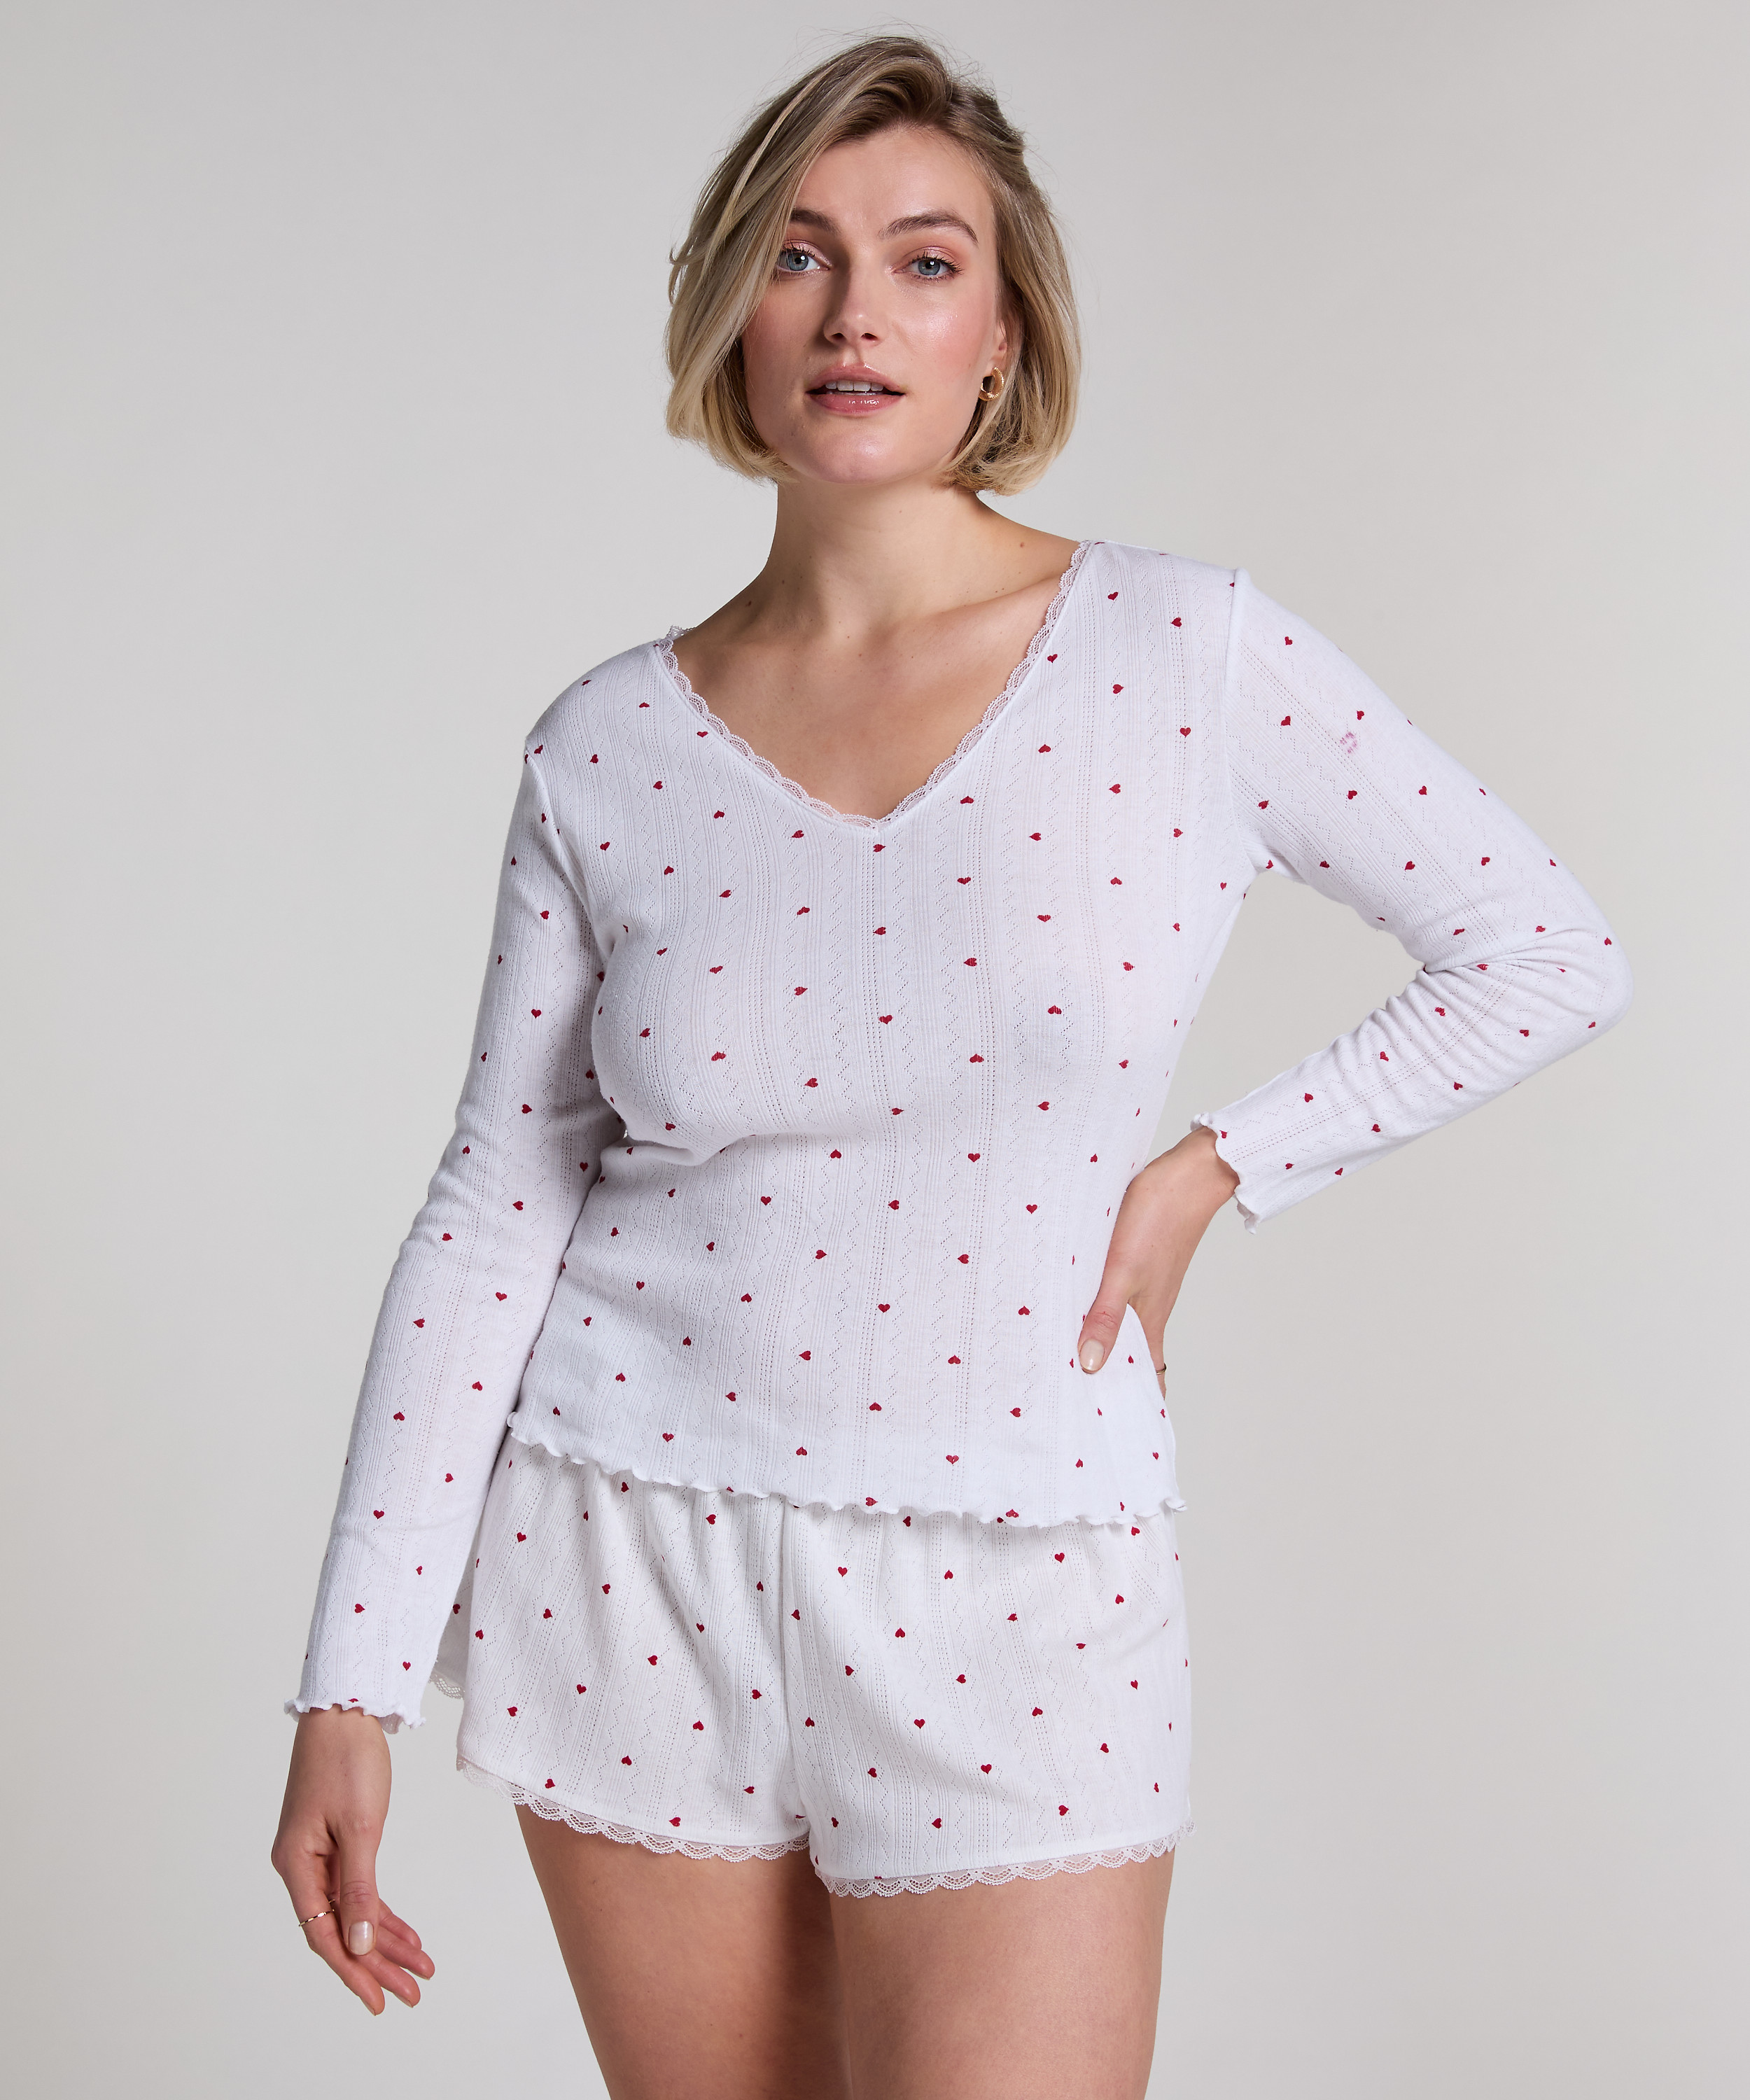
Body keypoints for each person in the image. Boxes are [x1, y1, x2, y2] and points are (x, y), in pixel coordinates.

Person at [271, 33, 1632, 2099]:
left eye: (923, 262)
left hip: (1017, 1559)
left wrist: (1215, 1168)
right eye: (798, 255)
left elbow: (1542, 948)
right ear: (731, 313)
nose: (854, 313)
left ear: (1003, 336)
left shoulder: (1187, 655)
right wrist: (351, 1683)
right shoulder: (606, 744)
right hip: (625, 1549)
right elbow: (494, 1204)